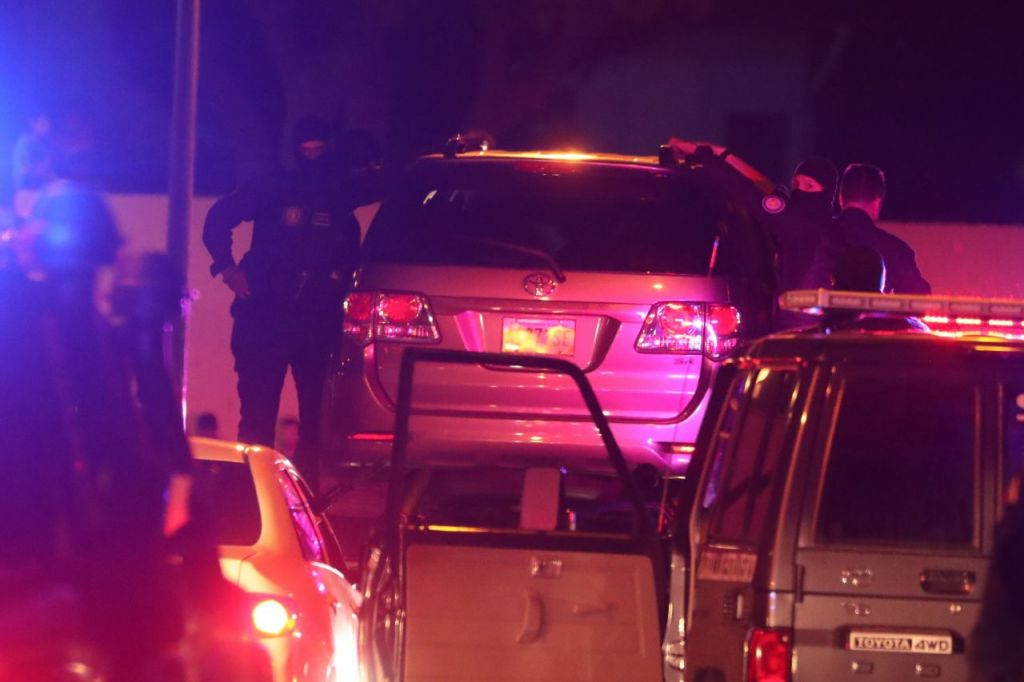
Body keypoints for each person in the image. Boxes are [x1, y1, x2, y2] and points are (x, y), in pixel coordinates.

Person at [203, 116, 361, 491]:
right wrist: (227, 269)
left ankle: (305, 499)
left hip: (314, 319)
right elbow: (217, 220)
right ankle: (249, 496)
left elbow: (351, 257)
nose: (312, 154)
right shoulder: (274, 186)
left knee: (316, 419)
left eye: (319, 148)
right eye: (306, 147)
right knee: (257, 418)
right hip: (266, 314)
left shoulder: (339, 196)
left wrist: (337, 293)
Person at [803, 163, 931, 295]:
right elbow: (919, 299)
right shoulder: (896, 250)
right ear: (877, 202)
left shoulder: (813, 239)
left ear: (840, 198)